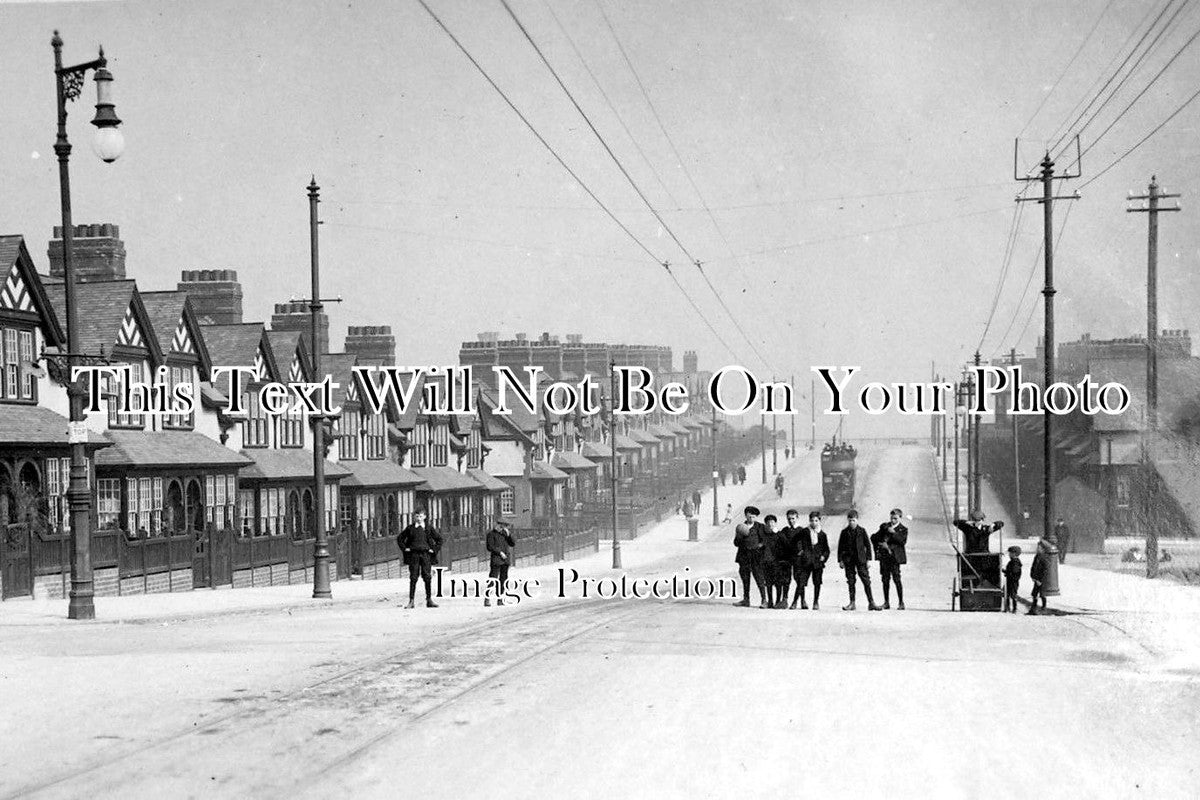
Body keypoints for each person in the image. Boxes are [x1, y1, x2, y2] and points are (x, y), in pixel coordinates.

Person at [398, 509, 443, 609]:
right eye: (417, 516)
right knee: (413, 577)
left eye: (421, 516)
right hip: (414, 555)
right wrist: (405, 549)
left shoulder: (428, 528)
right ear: (414, 517)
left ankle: (429, 600)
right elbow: (400, 538)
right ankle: (411, 601)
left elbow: (439, 539)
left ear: (425, 517)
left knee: (427, 577)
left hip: (425, 554)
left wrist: (434, 549)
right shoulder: (410, 529)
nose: (419, 519)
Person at [838, 510, 879, 611]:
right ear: (848, 520)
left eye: (854, 520)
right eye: (850, 520)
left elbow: (868, 545)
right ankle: (852, 603)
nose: (852, 522)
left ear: (857, 520)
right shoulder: (844, 532)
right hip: (849, 560)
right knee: (851, 581)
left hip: (861, 559)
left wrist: (869, 559)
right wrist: (840, 560)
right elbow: (840, 547)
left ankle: (871, 602)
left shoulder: (862, 531)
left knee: (866, 581)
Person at [790, 510, 830, 610]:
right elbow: (794, 541)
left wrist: (823, 557)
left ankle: (816, 602)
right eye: (812, 520)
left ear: (819, 521)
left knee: (817, 583)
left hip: (817, 563)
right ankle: (794, 602)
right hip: (806, 562)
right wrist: (800, 551)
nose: (814, 523)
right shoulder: (805, 531)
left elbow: (826, 549)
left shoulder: (822, 534)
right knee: (801, 582)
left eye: (816, 521)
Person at [871, 508, 908, 610]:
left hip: (895, 558)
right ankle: (886, 602)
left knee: (897, 579)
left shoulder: (903, 529)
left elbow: (902, 542)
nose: (893, 521)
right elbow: (873, 537)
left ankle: (901, 602)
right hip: (884, 557)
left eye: (895, 518)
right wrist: (880, 543)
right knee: (885, 579)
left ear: (900, 518)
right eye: (892, 518)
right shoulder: (885, 527)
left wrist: (893, 533)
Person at [732, 505, 768, 608]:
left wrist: (759, 546)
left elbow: (765, 540)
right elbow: (736, 543)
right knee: (745, 578)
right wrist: (740, 536)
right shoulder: (741, 527)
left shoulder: (760, 527)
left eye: (753, 517)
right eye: (749, 516)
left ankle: (764, 600)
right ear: (746, 516)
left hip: (756, 556)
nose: (751, 519)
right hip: (744, 556)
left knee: (759, 578)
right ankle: (746, 599)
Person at [484, 518, 516, 607]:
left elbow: (512, 543)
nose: (502, 528)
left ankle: (500, 599)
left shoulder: (505, 535)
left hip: (505, 561)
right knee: (493, 580)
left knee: (503, 580)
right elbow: (490, 547)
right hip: (496, 560)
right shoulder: (491, 534)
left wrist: (509, 534)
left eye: (504, 526)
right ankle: (487, 599)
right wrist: (499, 552)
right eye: (501, 526)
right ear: (497, 525)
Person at [761, 514, 787, 608]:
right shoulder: (764, 535)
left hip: (777, 562)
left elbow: (785, 543)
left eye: (772, 522)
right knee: (768, 583)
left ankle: (777, 601)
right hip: (766, 562)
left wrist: (778, 533)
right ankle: (770, 601)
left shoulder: (779, 534)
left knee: (778, 583)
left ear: (775, 523)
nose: (770, 524)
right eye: (768, 523)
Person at [1028, 539, 1051, 615]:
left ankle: (1044, 608)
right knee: (1034, 594)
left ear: (1043, 549)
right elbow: (1033, 566)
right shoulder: (1037, 556)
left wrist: (1040, 580)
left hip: (1041, 580)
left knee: (1042, 594)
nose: (1037, 549)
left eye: (1039, 548)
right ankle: (1033, 609)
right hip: (1036, 579)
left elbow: (1045, 570)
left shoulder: (1044, 557)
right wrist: (1032, 576)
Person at [1003, 545, 1022, 613]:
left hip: (1013, 581)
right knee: (1008, 594)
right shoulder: (1013, 561)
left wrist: (1007, 573)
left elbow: (1014, 572)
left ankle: (1014, 608)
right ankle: (1008, 608)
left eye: (1010, 553)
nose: (1009, 554)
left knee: (1013, 595)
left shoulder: (1015, 562)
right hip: (1011, 580)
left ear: (1014, 553)